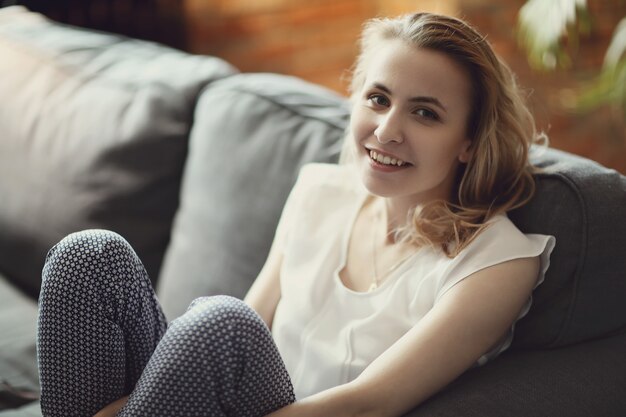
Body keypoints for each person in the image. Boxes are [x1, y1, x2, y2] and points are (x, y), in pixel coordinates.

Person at [36, 12, 555, 417]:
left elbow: (366, 405)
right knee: (89, 257)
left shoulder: (498, 260)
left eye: (425, 113)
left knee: (221, 322)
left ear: (468, 141)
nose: (387, 130)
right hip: (226, 399)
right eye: (378, 99)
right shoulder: (319, 191)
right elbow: (254, 318)